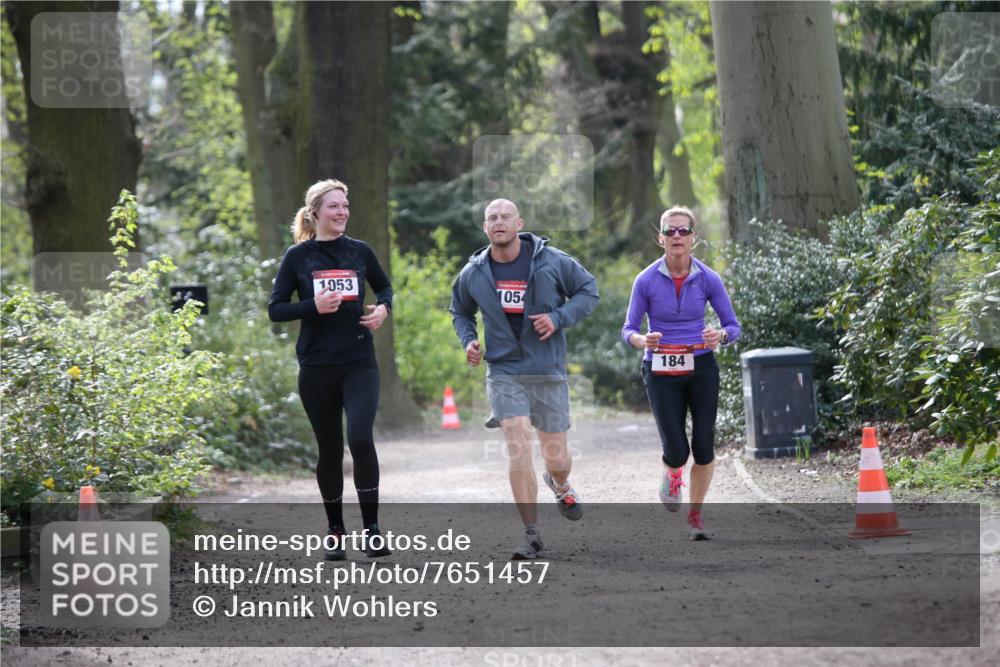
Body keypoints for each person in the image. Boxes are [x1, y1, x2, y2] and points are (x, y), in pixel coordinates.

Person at [450, 199, 599, 560]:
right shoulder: (474, 272)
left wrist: (558, 318)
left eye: (505, 217)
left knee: (557, 459)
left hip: (546, 367)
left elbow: (588, 290)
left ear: (519, 223)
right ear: (485, 227)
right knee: (517, 446)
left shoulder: (552, 261)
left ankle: (559, 484)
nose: (498, 222)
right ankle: (531, 534)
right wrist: (469, 340)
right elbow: (461, 311)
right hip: (504, 371)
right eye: (492, 218)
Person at [268, 178, 393, 560]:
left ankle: (372, 530)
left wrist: (383, 309)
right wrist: (312, 307)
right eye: (334, 206)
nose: (342, 212)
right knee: (330, 449)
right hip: (317, 366)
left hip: (359, 362)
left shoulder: (360, 251)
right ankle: (335, 530)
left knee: (360, 438)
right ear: (315, 213)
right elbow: (276, 309)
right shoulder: (298, 257)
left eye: (345, 205)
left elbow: (385, 289)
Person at [621, 205, 740, 540]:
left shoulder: (708, 278)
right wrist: (642, 340)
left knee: (703, 447)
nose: (677, 236)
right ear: (660, 238)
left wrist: (720, 336)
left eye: (683, 230)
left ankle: (695, 517)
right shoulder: (645, 280)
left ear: (693, 238)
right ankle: (672, 475)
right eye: (670, 231)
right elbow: (628, 329)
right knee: (676, 451)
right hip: (659, 368)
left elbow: (733, 326)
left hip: (701, 366)